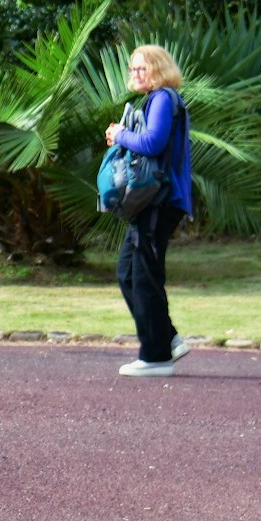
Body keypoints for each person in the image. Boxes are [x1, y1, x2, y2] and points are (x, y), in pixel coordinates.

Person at [105, 45, 193, 377]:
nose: (134, 75)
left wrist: (120, 134)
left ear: (156, 69)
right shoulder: (158, 100)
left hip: (160, 200)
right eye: (133, 69)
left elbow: (153, 143)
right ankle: (167, 339)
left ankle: (155, 357)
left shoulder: (163, 99)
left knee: (143, 275)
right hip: (154, 202)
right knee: (129, 272)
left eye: (140, 69)